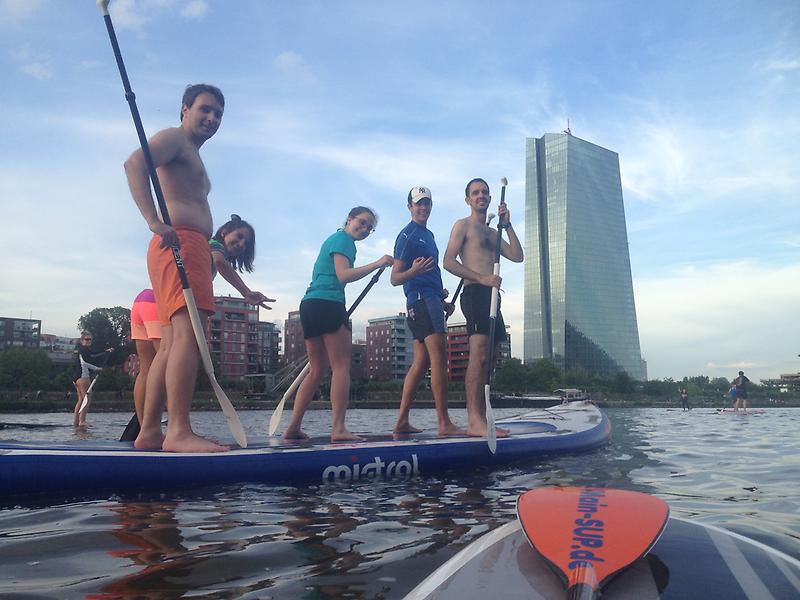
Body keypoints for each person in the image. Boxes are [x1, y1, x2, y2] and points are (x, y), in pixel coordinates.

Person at [125, 83, 228, 453]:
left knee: (170, 343)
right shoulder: (175, 139)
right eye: (205, 109)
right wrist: (154, 220)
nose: (212, 118)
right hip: (180, 242)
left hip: (183, 245)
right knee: (187, 337)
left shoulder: (191, 152)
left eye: (218, 113)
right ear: (185, 109)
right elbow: (134, 164)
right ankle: (179, 431)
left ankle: (151, 431)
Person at [283, 207, 393, 442]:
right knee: (341, 365)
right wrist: (378, 263)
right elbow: (343, 275)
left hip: (309, 304)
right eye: (362, 222)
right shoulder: (344, 240)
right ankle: (339, 429)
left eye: (369, 227)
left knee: (317, 369)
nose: (364, 229)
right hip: (329, 303)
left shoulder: (333, 239)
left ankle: (293, 427)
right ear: (349, 219)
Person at [443, 178, 523, 438]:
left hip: (493, 296)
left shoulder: (492, 233)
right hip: (475, 292)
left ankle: (483, 417)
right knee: (478, 355)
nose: (481, 196)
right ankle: (474, 420)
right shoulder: (463, 225)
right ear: (468, 199)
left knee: (490, 357)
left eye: (485, 192)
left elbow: (517, 256)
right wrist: (482, 278)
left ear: (490, 198)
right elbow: (448, 261)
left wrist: (507, 224)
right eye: (476, 192)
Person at [391, 186, 463, 437]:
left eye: (427, 203)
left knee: (421, 362)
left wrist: (441, 301)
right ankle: (444, 423)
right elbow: (395, 278)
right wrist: (413, 272)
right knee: (439, 359)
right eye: (418, 203)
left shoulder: (429, 235)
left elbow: (428, 275)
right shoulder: (407, 235)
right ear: (409, 207)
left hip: (429, 299)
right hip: (421, 300)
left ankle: (401, 422)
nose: (423, 208)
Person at [129, 289, 163, 430]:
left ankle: (145, 428)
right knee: (169, 365)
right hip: (160, 301)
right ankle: (179, 428)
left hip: (141, 300)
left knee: (145, 371)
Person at [72, 331, 112, 426]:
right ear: (82, 341)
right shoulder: (83, 350)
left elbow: (95, 353)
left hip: (77, 378)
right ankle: (82, 421)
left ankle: (76, 421)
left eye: (90, 339)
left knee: (81, 400)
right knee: (87, 399)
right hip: (83, 377)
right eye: (87, 339)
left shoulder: (84, 350)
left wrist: (106, 351)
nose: (89, 341)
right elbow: (84, 363)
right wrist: (97, 368)